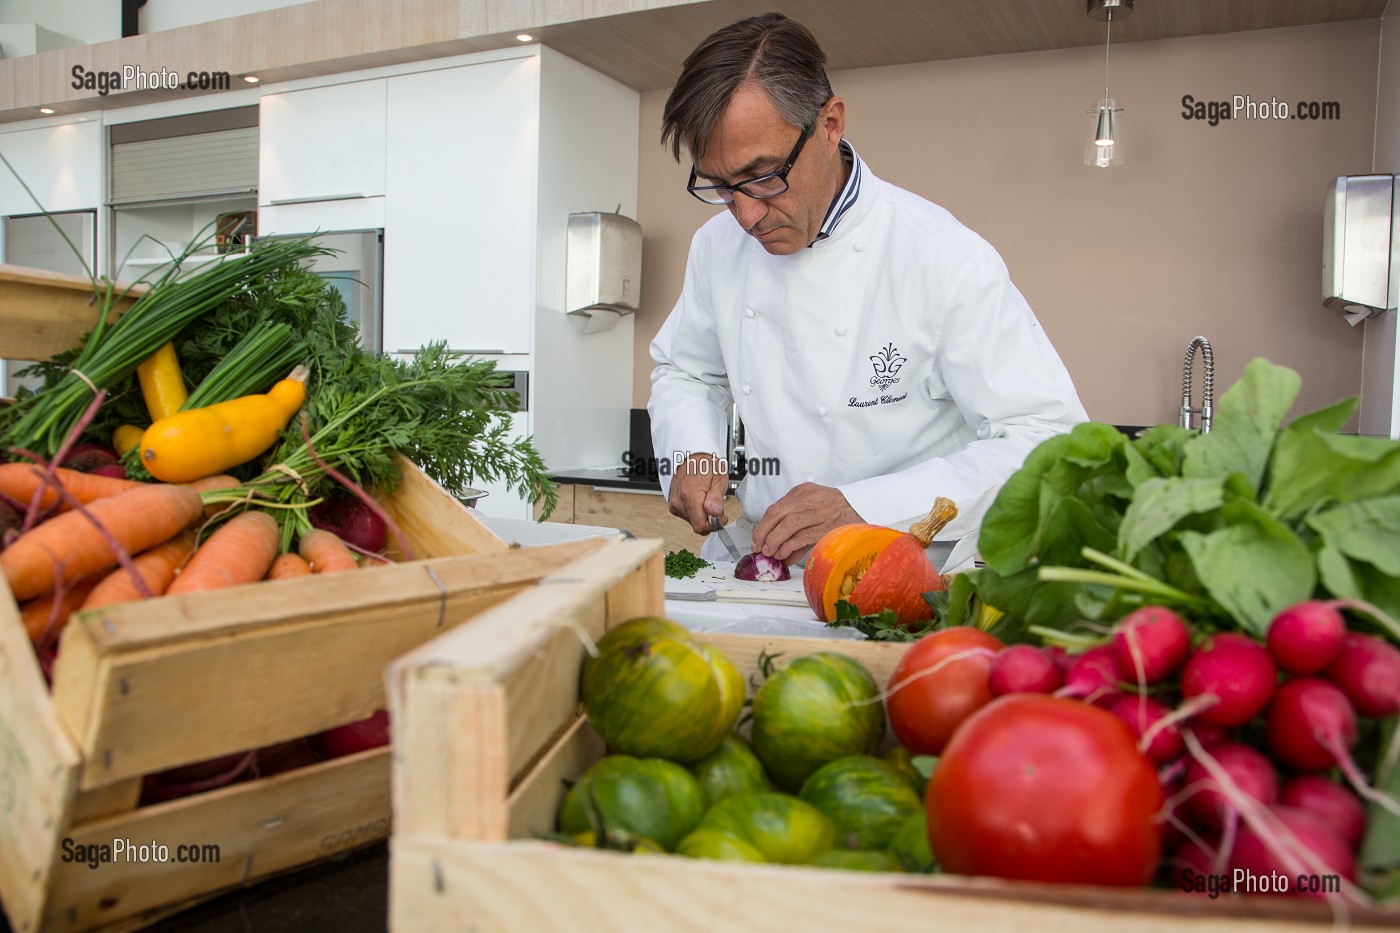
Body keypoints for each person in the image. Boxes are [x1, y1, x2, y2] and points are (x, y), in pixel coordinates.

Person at [648, 12, 1088, 564]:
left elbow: (1048, 441)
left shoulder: (943, 257)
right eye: (720, 186)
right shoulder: (716, 247)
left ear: (830, 125)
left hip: (905, 566)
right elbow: (687, 371)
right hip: (764, 566)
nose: (745, 215)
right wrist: (692, 451)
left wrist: (868, 505)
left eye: (763, 176)